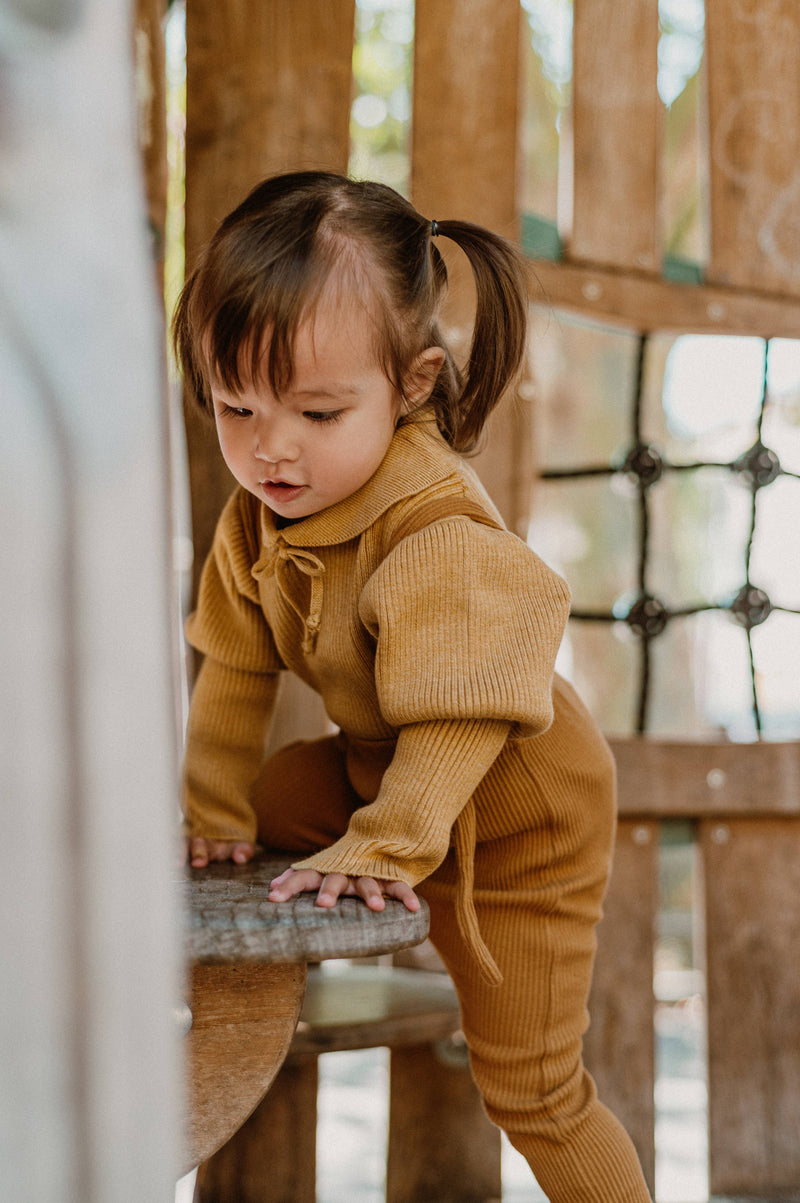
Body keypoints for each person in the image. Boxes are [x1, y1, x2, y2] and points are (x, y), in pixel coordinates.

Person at [173, 170, 652, 1202]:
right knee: (253, 813)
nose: (271, 445)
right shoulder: (255, 520)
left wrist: (387, 845)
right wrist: (209, 813)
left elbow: (455, 717)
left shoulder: (432, 527)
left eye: (317, 409)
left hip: (517, 813)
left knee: (532, 1088)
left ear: (414, 382)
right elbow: (235, 671)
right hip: (378, 768)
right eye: (235, 404)